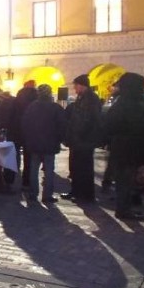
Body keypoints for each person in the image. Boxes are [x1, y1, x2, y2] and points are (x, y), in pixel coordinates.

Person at [102, 72, 144, 220]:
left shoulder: (120, 103)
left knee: (123, 180)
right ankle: (124, 210)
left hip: (120, 146)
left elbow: (108, 125)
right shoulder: (140, 105)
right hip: (134, 147)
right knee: (127, 180)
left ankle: (123, 208)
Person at [21, 84, 66, 205]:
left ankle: (33, 193)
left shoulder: (32, 107)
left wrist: (28, 138)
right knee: (49, 170)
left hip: (34, 143)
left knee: (33, 169)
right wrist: (59, 139)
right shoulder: (55, 108)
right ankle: (47, 195)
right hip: (50, 143)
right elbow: (62, 125)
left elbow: (25, 124)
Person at [62, 74, 102, 203]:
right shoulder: (82, 98)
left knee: (83, 167)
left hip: (84, 139)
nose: (74, 88)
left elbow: (88, 120)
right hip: (79, 139)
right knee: (76, 166)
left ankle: (84, 194)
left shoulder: (90, 99)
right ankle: (77, 191)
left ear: (82, 85)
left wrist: (79, 133)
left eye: (75, 85)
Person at [11, 80, 39, 187]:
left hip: (17, 130)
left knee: (15, 155)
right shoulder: (36, 98)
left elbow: (12, 115)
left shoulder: (18, 96)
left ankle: (14, 177)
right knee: (30, 159)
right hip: (31, 131)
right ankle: (27, 181)